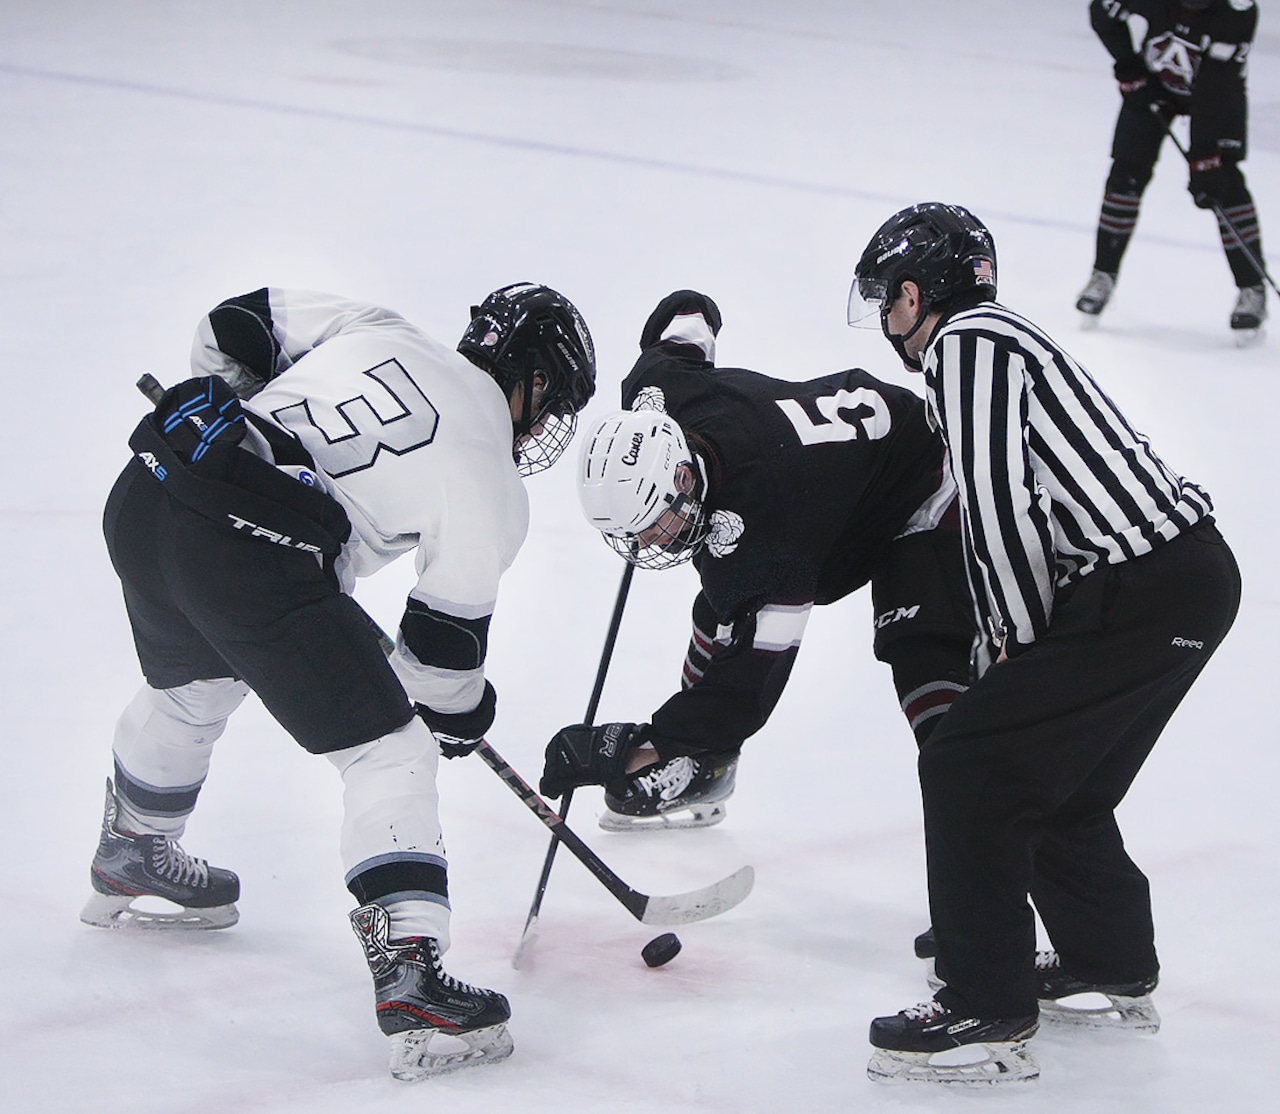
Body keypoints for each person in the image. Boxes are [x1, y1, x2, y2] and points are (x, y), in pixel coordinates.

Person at [82, 283, 595, 1080]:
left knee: (195, 687)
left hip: (152, 490)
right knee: (392, 754)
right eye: (551, 400)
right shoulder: (492, 473)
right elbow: (441, 665)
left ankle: (135, 846)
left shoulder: (380, 325)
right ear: (532, 382)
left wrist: (250, 449)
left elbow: (233, 325)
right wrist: (458, 717)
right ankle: (411, 976)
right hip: (248, 555)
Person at [851, 202, 1241, 1084]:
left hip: (1141, 589)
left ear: (918, 293)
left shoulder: (967, 347)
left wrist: (1009, 648)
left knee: (967, 765)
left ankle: (982, 1004)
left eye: (888, 297)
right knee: (1062, 783)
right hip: (1186, 579)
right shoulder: (999, 338)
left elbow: (999, 510)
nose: (885, 318)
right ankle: (1107, 957)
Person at [538, 289, 976, 832]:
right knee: (719, 608)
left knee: (927, 677)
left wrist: (634, 746)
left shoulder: (768, 530)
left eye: (653, 524)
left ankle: (987, 847)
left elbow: (748, 690)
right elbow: (690, 313)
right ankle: (703, 765)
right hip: (840, 478)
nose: (647, 544)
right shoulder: (659, 392)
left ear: (681, 477)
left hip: (930, 488)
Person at [1076, 0, 1268, 340]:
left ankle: (1252, 288)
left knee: (1224, 183)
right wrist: (1130, 68)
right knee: (1125, 174)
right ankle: (1102, 273)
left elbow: (1216, 84)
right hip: (1156, 81)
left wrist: (1206, 156)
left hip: (1219, 94)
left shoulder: (1238, 9)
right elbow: (1102, 13)